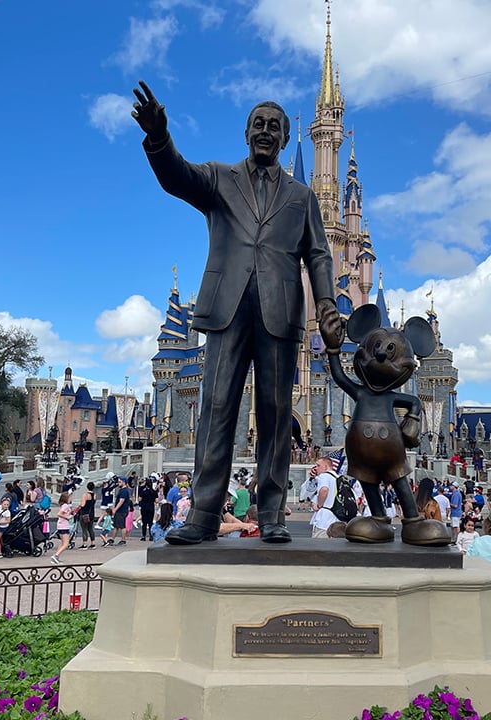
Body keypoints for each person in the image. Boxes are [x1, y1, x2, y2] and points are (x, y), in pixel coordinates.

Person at [132, 81, 340, 545]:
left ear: (287, 139)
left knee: (275, 409)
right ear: (246, 133)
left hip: (281, 311)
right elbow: (176, 177)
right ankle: (204, 513)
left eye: (275, 127)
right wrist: (159, 140)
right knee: (217, 407)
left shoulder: (302, 197)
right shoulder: (220, 178)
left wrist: (325, 302)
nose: (266, 132)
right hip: (227, 311)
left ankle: (272, 514)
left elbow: (320, 254)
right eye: (258, 124)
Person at [309, 456, 339, 539]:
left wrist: (319, 505)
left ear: (325, 467)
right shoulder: (339, 478)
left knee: (319, 546)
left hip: (324, 519)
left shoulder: (324, 476)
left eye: (318, 466)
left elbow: (324, 490)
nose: (316, 468)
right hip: (337, 520)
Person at [51, 491, 74, 564]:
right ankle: (56, 555)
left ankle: (56, 557)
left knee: (62, 542)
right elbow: (59, 514)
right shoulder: (65, 505)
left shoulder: (64, 505)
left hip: (61, 525)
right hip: (64, 526)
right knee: (66, 544)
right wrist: (67, 517)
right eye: (70, 497)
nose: (71, 498)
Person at [75, 482, 97, 549]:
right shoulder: (95, 495)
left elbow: (83, 504)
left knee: (84, 529)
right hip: (92, 513)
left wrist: (79, 505)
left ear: (87, 487)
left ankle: (84, 544)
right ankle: (93, 543)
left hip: (84, 513)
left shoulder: (85, 495)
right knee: (90, 528)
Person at [111, 477, 132, 545]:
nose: (118, 483)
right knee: (116, 525)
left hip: (121, 511)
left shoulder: (123, 491)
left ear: (124, 482)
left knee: (122, 526)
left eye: (120, 482)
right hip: (121, 510)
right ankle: (112, 539)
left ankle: (123, 539)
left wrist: (115, 509)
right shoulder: (123, 490)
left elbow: (121, 501)